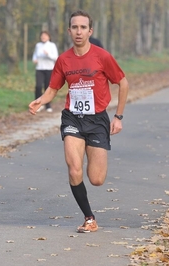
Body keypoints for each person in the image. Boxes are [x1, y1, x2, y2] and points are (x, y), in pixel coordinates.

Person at [28, 10, 129, 233]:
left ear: (90, 31)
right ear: (69, 31)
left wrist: (118, 117)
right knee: (74, 169)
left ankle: (91, 209)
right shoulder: (63, 60)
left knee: (96, 179)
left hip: (97, 120)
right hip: (72, 117)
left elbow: (123, 83)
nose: (79, 31)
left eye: (83, 27)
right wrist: (40, 100)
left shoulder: (102, 56)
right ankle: (89, 218)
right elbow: (54, 88)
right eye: (75, 27)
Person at [32, 31, 59, 112]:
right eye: (42, 36)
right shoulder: (38, 45)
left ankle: (48, 105)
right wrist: (34, 59)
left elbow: (56, 58)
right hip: (39, 68)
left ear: (49, 37)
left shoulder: (52, 45)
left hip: (49, 69)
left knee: (48, 87)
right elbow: (35, 55)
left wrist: (48, 54)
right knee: (38, 86)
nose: (43, 37)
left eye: (45, 35)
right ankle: (38, 104)